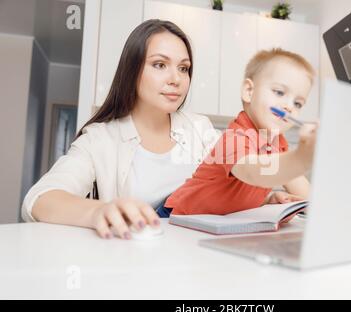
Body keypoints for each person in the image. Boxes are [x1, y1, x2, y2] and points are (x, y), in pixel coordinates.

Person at [21, 20, 220, 240]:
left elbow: (239, 175)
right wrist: (98, 211)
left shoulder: (200, 128)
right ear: (132, 70)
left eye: (183, 68)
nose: (176, 79)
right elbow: (39, 200)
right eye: (160, 65)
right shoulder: (99, 139)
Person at [158, 48, 319, 216]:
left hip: (215, 224)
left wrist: (268, 201)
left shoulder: (278, 145)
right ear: (249, 91)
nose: (289, 107)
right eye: (279, 92)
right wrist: (302, 157)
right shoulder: (236, 136)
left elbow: (307, 197)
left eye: (298, 103)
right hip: (176, 215)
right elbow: (253, 172)